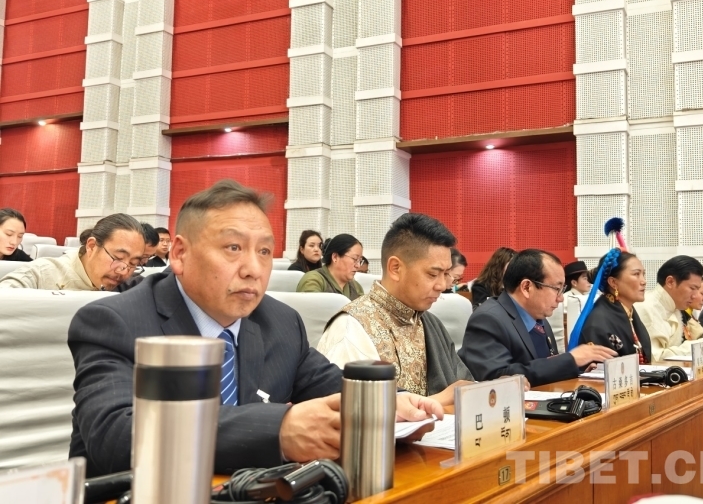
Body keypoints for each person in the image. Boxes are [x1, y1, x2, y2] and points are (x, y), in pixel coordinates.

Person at [68, 180, 442, 477]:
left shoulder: (279, 322)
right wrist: (278, 429)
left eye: (264, 251)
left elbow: (331, 385)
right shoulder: (116, 320)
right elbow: (116, 436)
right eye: (233, 248)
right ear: (180, 254)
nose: (253, 269)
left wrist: (389, 403)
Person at [317, 213, 474, 404]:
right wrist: (437, 401)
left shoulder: (430, 323)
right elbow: (348, 411)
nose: (442, 285)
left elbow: (464, 385)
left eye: (446, 274)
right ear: (395, 268)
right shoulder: (351, 328)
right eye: (433, 274)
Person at [458, 249, 616, 387]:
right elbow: (498, 377)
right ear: (527, 287)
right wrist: (569, 360)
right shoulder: (488, 319)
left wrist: (576, 368)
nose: (561, 298)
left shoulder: (539, 319)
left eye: (562, 290)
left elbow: (544, 367)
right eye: (556, 289)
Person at [0, 214, 146, 291]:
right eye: (118, 257)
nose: (124, 271)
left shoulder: (132, 286)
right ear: (91, 246)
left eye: (134, 263)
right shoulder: (41, 274)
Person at [634, 256, 703, 359]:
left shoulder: (675, 307)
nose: (695, 296)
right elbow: (654, 358)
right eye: (692, 288)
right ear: (670, 282)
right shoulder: (646, 307)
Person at [577, 251, 651, 363]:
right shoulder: (598, 323)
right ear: (613, 282)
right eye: (636, 274)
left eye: (643, 274)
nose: (644, 281)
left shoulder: (628, 312)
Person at [296, 234, 364, 301]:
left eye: (360, 261)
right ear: (335, 257)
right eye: (355, 259)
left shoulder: (356, 287)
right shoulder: (313, 280)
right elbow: (312, 306)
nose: (358, 265)